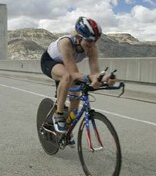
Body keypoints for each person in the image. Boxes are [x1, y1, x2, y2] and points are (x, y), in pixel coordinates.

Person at [40, 16, 117, 147]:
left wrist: (103, 78)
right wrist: (89, 78)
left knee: (75, 102)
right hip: (50, 62)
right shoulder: (66, 43)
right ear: (78, 36)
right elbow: (73, 73)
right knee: (67, 77)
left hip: (68, 67)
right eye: (89, 40)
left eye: (95, 40)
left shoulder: (92, 48)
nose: (92, 44)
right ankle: (58, 116)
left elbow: (95, 72)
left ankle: (66, 132)